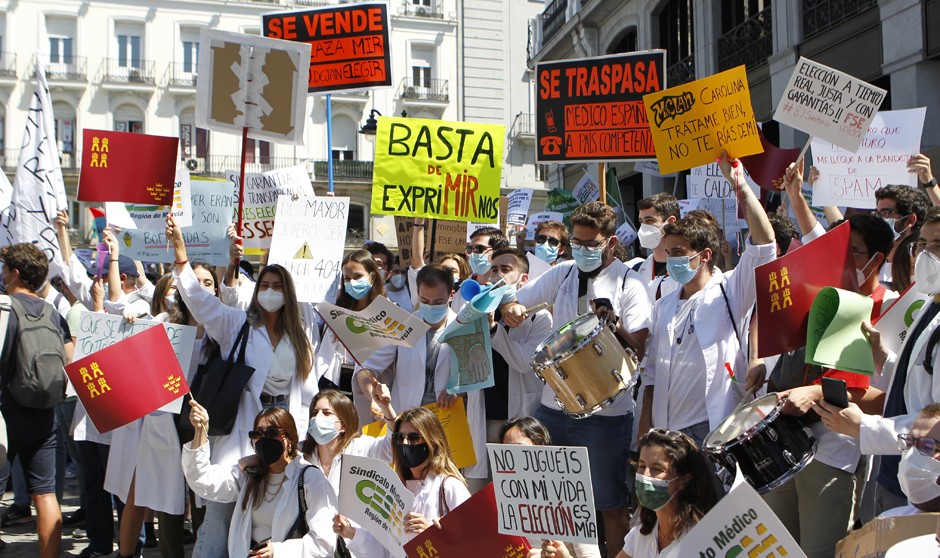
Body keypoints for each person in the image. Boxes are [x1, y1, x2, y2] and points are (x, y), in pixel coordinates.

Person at [166, 214, 320, 558]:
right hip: (242, 431)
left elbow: (307, 392)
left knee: (272, 516)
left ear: (288, 294)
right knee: (222, 514)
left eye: (277, 287)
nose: (269, 293)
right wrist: (180, 255)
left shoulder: (300, 337)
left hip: (283, 435)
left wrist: (306, 440)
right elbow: (201, 302)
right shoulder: (237, 323)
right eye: (264, 286)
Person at [504, 201, 652, 558]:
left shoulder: (631, 284)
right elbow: (516, 300)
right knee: (548, 502)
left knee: (609, 507)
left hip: (607, 415)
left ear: (611, 242)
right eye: (577, 243)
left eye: (591, 244)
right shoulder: (563, 273)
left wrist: (612, 324)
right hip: (553, 409)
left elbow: (640, 348)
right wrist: (511, 308)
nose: (582, 251)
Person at [639, 152, 776, 447]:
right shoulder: (663, 305)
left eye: (679, 253)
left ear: (704, 256)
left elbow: (765, 245)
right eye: (669, 251)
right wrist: (644, 428)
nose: (672, 259)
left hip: (713, 427)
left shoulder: (730, 290)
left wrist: (740, 186)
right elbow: (651, 376)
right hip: (668, 433)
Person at [814, 207, 940, 516]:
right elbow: (916, 381)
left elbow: (937, 423)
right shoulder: (930, 307)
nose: (925, 255)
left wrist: (866, 428)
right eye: (922, 244)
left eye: (937, 245)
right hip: (895, 473)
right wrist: (883, 357)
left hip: (927, 484)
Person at [106, 263, 220, 558]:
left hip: (206, 420)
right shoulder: (165, 322)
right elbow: (137, 338)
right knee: (167, 496)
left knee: (203, 495)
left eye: (209, 282)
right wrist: (132, 315)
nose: (202, 287)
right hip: (167, 418)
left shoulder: (223, 326)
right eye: (196, 282)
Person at [356, 266, 488, 486]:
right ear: (417, 294)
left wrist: (457, 389)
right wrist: (374, 398)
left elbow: (476, 379)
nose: (431, 307)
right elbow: (366, 370)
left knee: (442, 484)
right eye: (425, 301)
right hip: (407, 423)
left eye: (438, 302)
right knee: (405, 483)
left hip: (446, 424)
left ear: (451, 295)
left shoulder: (467, 328)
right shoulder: (402, 326)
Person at [183, 402, 336, 557]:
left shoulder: (310, 479)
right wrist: (200, 431)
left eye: (272, 432)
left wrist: (278, 551)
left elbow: (324, 542)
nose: (264, 439)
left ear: (289, 438)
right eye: (258, 434)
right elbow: (203, 481)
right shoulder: (249, 473)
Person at [0, 243, 73, 558]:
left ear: (15, 273)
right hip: (44, 414)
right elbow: (71, 360)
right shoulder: (52, 312)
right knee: (45, 495)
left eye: (4, 270)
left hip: (5, 414)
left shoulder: (4, 308)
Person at [302, 389, 395, 557]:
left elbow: (391, 447)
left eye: (327, 413)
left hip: (354, 549)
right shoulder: (303, 457)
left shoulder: (359, 448)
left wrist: (386, 407)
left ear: (343, 425)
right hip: (314, 548)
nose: (317, 418)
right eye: (315, 413)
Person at [498, 417, 601, 558]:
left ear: (542, 449)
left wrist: (564, 556)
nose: (512, 459)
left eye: (519, 450)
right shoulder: (498, 500)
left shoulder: (571, 497)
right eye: (505, 452)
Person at [615, 430, 721, 558]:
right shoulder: (643, 530)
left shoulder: (702, 538)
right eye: (642, 466)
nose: (645, 475)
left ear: (683, 480)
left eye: (657, 469)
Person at [484, 249, 553, 440]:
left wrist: (492, 329)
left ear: (523, 279)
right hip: (486, 413)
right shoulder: (481, 310)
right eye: (494, 269)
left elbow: (525, 362)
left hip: (520, 414)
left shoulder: (540, 317)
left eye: (505, 269)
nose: (498, 275)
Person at [389, 407, 470, 539]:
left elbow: (473, 538)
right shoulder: (395, 488)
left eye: (413, 437)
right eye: (399, 437)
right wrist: (353, 533)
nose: (404, 443)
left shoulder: (449, 485)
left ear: (431, 441)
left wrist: (431, 533)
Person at [317, 250, 386, 394]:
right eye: (347, 278)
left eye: (358, 276)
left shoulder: (387, 314)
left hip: (369, 389)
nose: (352, 282)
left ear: (372, 277)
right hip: (332, 385)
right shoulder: (335, 312)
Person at [874, 184, 930, 287]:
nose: (879, 220)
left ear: (910, 220)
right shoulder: (873, 264)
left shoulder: (923, 267)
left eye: (886, 213)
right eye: (877, 214)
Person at [634, 193, 680, 302]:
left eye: (649, 220)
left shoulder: (689, 269)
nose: (643, 227)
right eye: (641, 221)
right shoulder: (637, 271)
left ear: (671, 222)